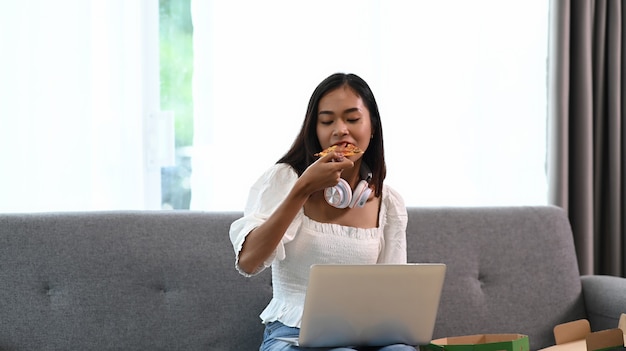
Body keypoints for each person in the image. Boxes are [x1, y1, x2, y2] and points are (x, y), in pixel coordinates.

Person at [229, 73, 411, 351]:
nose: (340, 130)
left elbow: (393, 295)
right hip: (291, 333)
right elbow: (248, 263)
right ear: (314, 130)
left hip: (361, 335)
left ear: (372, 127)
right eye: (327, 121)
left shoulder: (388, 202)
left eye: (352, 119)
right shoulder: (285, 179)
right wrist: (301, 190)